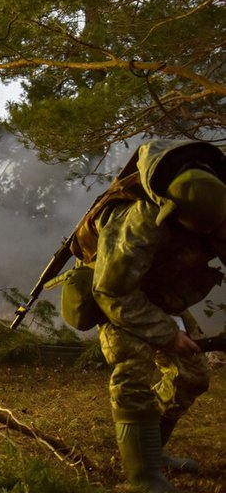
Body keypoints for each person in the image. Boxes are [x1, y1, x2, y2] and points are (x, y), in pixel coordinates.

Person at [77, 139, 226, 492]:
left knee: (193, 376)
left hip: (162, 290)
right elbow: (112, 290)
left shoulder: (217, 202)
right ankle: (142, 477)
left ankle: (152, 451)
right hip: (119, 291)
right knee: (133, 373)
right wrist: (167, 334)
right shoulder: (137, 223)